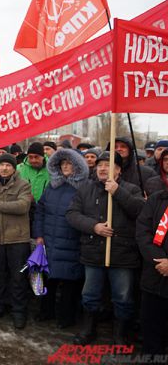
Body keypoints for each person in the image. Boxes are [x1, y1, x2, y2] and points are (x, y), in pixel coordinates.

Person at [66, 152, 145, 345]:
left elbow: (140, 211)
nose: (102, 168)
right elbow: (72, 214)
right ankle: (88, 329)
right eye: (99, 165)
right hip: (93, 252)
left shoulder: (132, 189)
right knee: (90, 294)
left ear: (118, 170)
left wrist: (118, 192)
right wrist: (94, 226)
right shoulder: (85, 189)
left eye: (108, 165)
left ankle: (120, 334)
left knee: (123, 297)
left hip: (123, 255)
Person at [32, 149, 88, 328]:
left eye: (69, 164)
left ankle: (66, 318)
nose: (65, 167)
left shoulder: (85, 188)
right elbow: (40, 210)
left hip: (72, 242)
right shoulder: (52, 187)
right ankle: (46, 312)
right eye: (63, 164)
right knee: (49, 280)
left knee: (70, 284)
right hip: (50, 241)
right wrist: (39, 235)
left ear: (77, 167)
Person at [0, 154, 33, 329]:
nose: (4, 168)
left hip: (17, 239)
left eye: (8, 166)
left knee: (18, 278)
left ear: (13, 168)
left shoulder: (23, 185)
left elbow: (22, 206)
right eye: (1, 165)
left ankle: (19, 311)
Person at [135, 172, 168, 356]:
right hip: (154, 275)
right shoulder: (156, 199)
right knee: (152, 327)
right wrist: (159, 261)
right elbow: (143, 233)